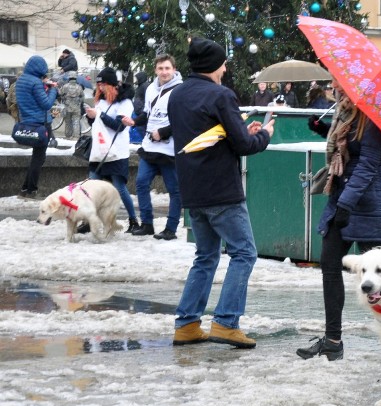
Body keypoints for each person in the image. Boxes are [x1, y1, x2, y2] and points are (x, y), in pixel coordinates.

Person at [168, 37, 274, 348]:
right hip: (222, 191)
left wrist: (242, 131)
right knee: (244, 253)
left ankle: (186, 324)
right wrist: (264, 135)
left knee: (206, 256)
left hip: (192, 189)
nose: (226, 69)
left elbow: (205, 137)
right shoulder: (220, 95)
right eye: (223, 63)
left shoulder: (177, 95)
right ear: (214, 65)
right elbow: (243, 146)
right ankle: (226, 323)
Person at [297, 76, 381, 361]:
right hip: (344, 196)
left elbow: (366, 165)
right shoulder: (346, 111)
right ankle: (333, 339)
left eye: (340, 84)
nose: (335, 88)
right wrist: (323, 130)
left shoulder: (376, 118)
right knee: (329, 263)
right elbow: (349, 144)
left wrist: (345, 204)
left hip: (369, 201)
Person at [129, 53, 183, 241]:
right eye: (160, 68)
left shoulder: (180, 90)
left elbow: (183, 120)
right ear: (155, 70)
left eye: (167, 68)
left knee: (174, 190)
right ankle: (147, 223)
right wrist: (134, 122)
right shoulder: (151, 88)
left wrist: (164, 132)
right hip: (149, 146)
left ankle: (171, 228)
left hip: (169, 149)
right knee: (141, 183)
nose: (164, 72)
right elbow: (148, 114)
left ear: (174, 69)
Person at [82, 67, 140, 232]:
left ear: (113, 85)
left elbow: (118, 126)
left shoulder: (125, 102)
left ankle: (133, 220)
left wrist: (99, 115)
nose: (100, 88)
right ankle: (88, 221)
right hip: (99, 150)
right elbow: (98, 126)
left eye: (103, 84)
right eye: (98, 84)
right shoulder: (100, 101)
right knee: (90, 185)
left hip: (116, 151)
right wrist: (91, 117)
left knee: (119, 187)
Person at [17, 55, 58, 198]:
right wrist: (53, 90)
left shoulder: (21, 80)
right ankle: (31, 190)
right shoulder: (35, 82)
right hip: (40, 124)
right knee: (39, 158)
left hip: (26, 121)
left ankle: (24, 189)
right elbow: (46, 104)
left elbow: (31, 99)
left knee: (37, 157)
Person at [58, 71, 84, 139]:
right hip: (76, 107)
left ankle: (68, 136)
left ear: (69, 77)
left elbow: (60, 93)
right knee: (76, 122)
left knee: (68, 122)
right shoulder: (79, 87)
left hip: (67, 107)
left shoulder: (65, 86)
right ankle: (76, 137)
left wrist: (63, 98)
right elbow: (82, 97)